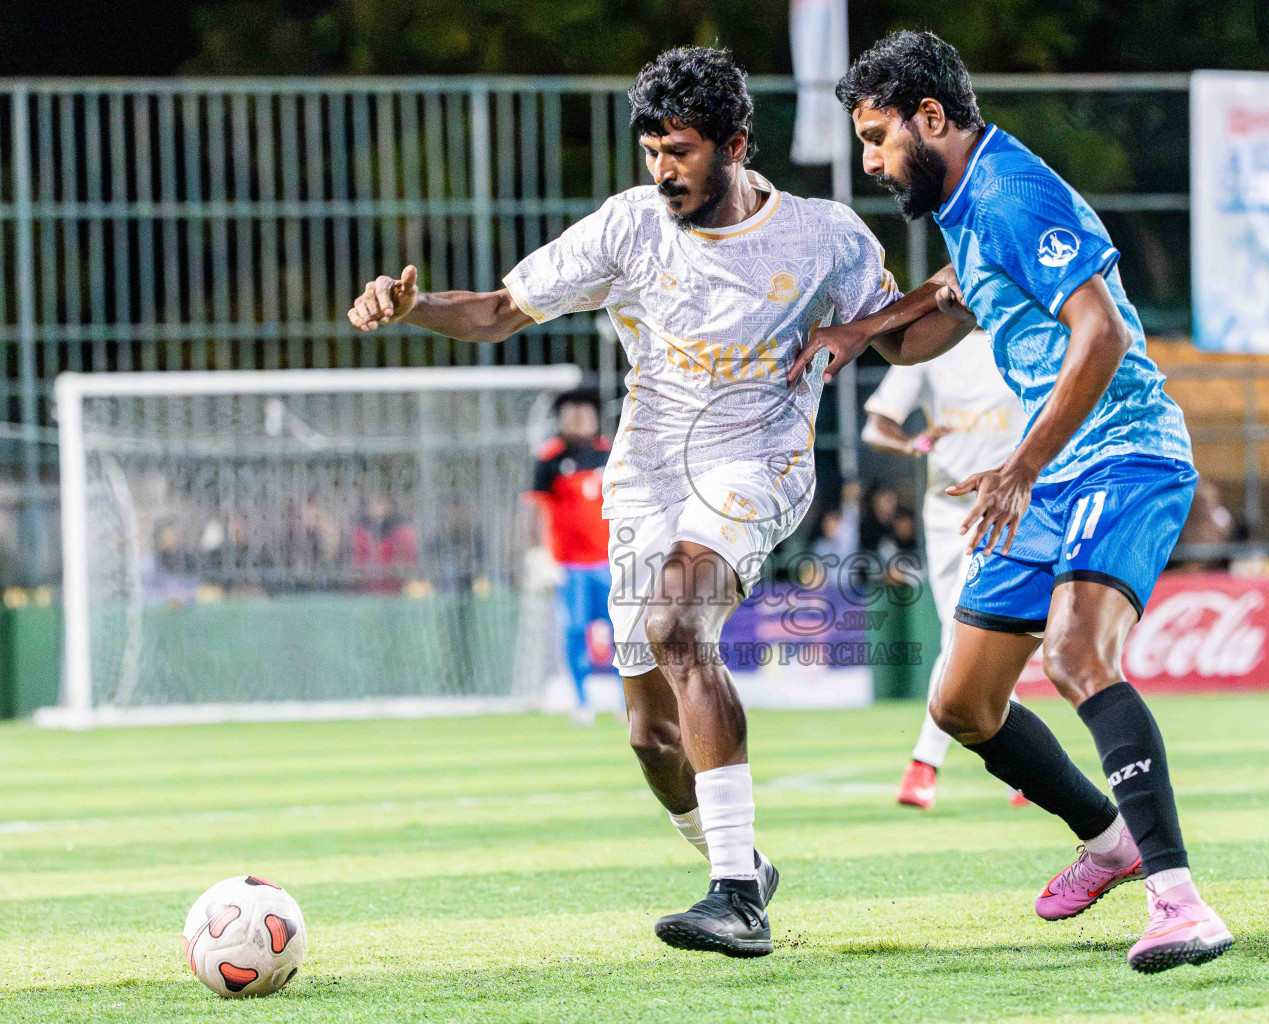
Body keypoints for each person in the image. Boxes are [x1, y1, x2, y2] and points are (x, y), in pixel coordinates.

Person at [347, 47, 968, 957]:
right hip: (648, 471)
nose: (662, 170)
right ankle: (742, 865)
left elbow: (906, 344)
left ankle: (732, 900)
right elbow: (498, 311)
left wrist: (973, 286)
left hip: (758, 459)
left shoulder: (823, 236)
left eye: (678, 150)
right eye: (651, 152)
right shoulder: (629, 227)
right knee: (646, 732)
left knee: (682, 625)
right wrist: (411, 308)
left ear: (735, 144)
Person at [793, 31, 1229, 973]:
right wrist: (856, 332)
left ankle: (1179, 900)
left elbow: (1103, 332)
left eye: (876, 137)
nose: (869, 161)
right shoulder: (964, 203)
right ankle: (1106, 837)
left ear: (933, 119)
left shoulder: (1010, 192)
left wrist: (1022, 465)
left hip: (1122, 455)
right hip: (1052, 471)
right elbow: (950, 302)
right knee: (961, 704)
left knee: (1077, 655)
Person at [862, 329, 1031, 810]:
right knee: (972, 638)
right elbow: (876, 426)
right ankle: (1026, 767)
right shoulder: (929, 350)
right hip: (943, 511)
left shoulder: (1021, 335)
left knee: (963, 634)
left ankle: (923, 764)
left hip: (1004, 508)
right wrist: (916, 445)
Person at [528, 388, 615, 723]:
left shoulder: (611, 453)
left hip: (610, 562)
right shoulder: (549, 458)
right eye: (571, 411)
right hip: (570, 565)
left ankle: (631, 702)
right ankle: (582, 702)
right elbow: (538, 511)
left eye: (585, 410)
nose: (579, 418)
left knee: (622, 631)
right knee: (575, 630)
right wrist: (542, 556)